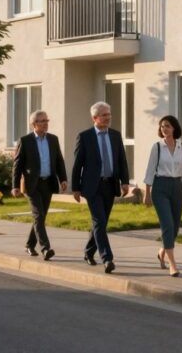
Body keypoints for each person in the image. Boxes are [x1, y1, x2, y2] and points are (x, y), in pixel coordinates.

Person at [71, 101, 129, 274]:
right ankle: (107, 258)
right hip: (92, 187)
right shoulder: (85, 136)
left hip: (110, 184)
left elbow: (122, 161)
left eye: (109, 114)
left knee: (101, 223)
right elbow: (77, 164)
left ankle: (89, 251)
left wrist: (125, 181)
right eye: (104, 115)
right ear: (94, 118)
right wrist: (75, 187)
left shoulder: (115, 136)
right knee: (99, 221)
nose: (108, 118)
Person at [11, 110, 67, 261]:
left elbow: (59, 161)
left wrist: (63, 179)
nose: (45, 123)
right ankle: (45, 248)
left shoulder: (53, 139)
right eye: (42, 121)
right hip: (32, 184)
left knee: (40, 217)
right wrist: (15, 185)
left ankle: (29, 245)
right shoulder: (25, 140)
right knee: (38, 215)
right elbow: (17, 164)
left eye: (46, 120)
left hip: (48, 183)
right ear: (34, 124)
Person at [143, 115, 182, 277]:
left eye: (167, 126)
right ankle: (173, 265)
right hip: (160, 187)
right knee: (167, 224)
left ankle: (161, 252)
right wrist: (147, 193)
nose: (164, 129)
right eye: (162, 126)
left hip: (177, 187)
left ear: (174, 128)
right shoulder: (157, 147)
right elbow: (150, 170)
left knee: (175, 227)